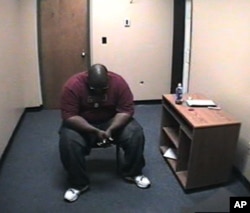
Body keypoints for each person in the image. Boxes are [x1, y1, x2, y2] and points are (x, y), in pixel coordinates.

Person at [59, 64, 151, 202]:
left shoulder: (118, 82)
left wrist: (111, 129)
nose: (99, 92)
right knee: (68, 140)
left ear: (108, 80)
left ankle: (133, 173)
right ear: (87, 80)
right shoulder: (73, 85)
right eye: (94, 89)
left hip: (111, 121)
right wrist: (94, 131)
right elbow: (69, 116)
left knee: (135, 133)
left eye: (103, 89)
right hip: (83, 122)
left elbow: (126, 110)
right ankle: (78, 184)